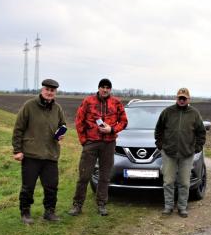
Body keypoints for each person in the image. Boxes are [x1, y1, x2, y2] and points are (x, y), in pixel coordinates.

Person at [68, 78, 128, 216]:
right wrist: (84, 141)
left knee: (105, 176)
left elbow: (124, 122)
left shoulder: (116, 102)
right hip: (91, 143)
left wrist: (112, 130)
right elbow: (79, 121)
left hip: (109, 144)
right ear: (99, 88)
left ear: (110, 89)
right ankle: (77, 205)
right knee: (84, 175)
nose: (105, 90)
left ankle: (101, 204)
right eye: (103, 87)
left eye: (108, 87)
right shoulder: (88, 101)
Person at [12, 79, 66, 224]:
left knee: (51, 187)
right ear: (42, 90)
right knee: (28, 186)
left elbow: (62, 124)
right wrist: (17, 150)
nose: (49, 93)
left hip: (51, 154)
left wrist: (61, 132)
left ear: (55, 93)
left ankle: (49, 212)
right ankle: (25, 212)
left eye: (52, 91)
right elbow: (18, 129)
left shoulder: (57, 108)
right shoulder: (29, 106)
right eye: (47, 89)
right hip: (31, 154)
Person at [155, 88, 206, 218]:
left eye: (184, 98)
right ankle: (168, 207)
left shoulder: (194, 113)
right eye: (180, 98)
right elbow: (159, 130)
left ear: (188, 99)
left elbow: (201, 132)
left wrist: (197, 147)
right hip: (169, 153)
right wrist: (160, 145)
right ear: (176, 98)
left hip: (187, 154)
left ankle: (182, 207)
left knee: (184, 182)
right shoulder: (167, 112)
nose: (182, 100)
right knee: (168, 181)